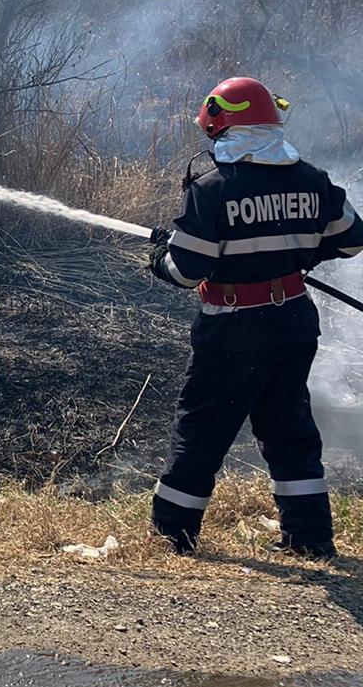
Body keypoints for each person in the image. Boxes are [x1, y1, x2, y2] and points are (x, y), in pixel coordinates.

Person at [146, 77, 363, 557]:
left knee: (202, 430)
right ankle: (310, 541)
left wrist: (160, 257)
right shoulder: (311, 179)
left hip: (233, 328)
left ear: (223, 126)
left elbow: (186, 271)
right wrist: (300, 253)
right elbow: (351, 239)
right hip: (293, 324)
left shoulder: (213, 189)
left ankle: (171, 536)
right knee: (290, 432)